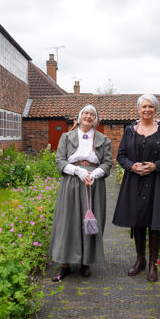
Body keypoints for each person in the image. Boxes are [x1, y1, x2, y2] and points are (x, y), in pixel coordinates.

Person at [112, 94, 160, 282]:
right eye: (144, 107)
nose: (147, 110)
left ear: (155, 109)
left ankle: (153, 265)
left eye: (150, 106)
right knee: (138, 220)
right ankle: (140, 260)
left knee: (155, 222)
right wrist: (132, 166)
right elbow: (121, 156)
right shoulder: (130, 130)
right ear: (138, 109)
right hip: (135, 181)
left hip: (158, 182)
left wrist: (156, 165)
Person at [49, 104, 112, 282]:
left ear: (96, 119)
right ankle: (65, 265)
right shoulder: (66, 137)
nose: (88, 116)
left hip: (94, 183)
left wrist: (94, 174)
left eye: (92, 114)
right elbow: (60, 161)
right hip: (71, 182)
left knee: (90, 220)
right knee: (67, 221)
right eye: (85, 113)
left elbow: (107, 164)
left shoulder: (103, 139)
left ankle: (86, 263)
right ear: (78, 117)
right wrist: (78, 172)